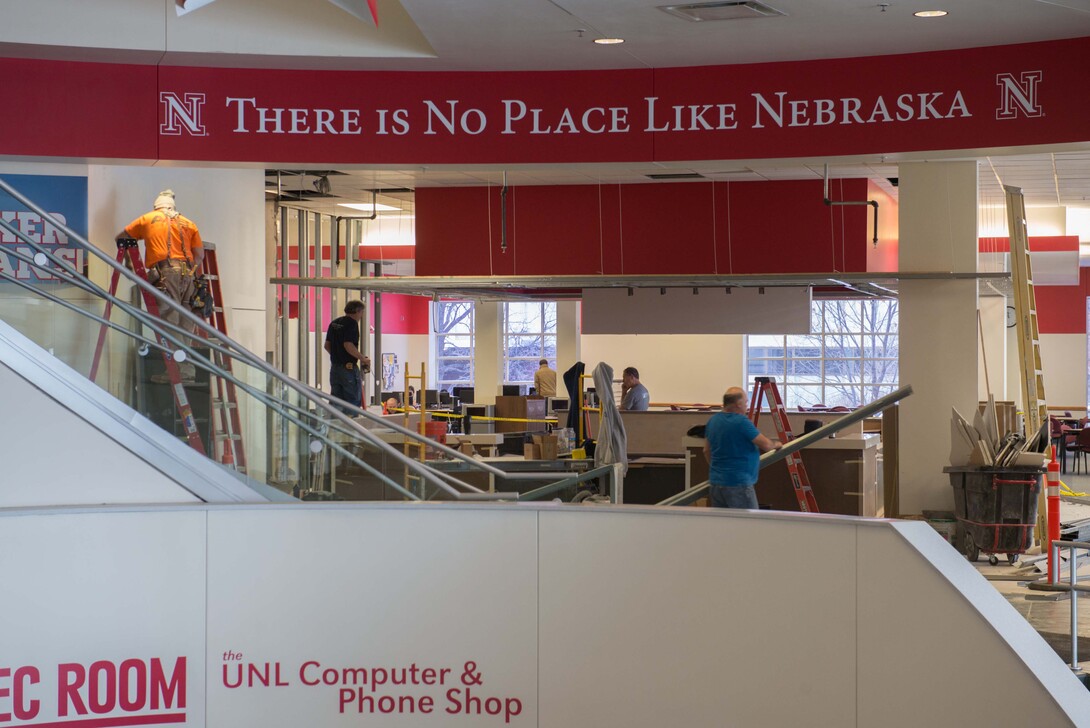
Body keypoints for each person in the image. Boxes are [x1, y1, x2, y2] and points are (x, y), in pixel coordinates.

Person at [117, 189, 204, 383]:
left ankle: (180, 368)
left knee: (168, 321)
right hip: (188, 275)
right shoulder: (188, 224)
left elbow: (121, 238)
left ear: (157, 206)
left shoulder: (148, 219)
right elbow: (199, 255)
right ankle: (185, 368)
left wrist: (130, 268)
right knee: (185, 323)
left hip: (165, 274)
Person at [703, 389, 781, 509]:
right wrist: (776, 444)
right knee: (748, 525)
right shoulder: (741, 422)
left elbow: (706, 450)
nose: (746, 405)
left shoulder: (713, 421)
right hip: (738, 484)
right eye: (745, 402)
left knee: (723, 525)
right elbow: (766, 445)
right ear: (738, 404)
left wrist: (719, 471)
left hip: (716, 484)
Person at [323, 300, 369, 413]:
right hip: (348, 369)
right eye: (362, 312)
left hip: (335, 368)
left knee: (336, 401)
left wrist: (337, 356)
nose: (361, 316)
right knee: (352, 402)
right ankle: (351, 429)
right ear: (357, 311)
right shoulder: (352, 324)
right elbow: (348, 345)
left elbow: (327, 345)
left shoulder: (334, 323)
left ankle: (334, 428)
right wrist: (363, 358)